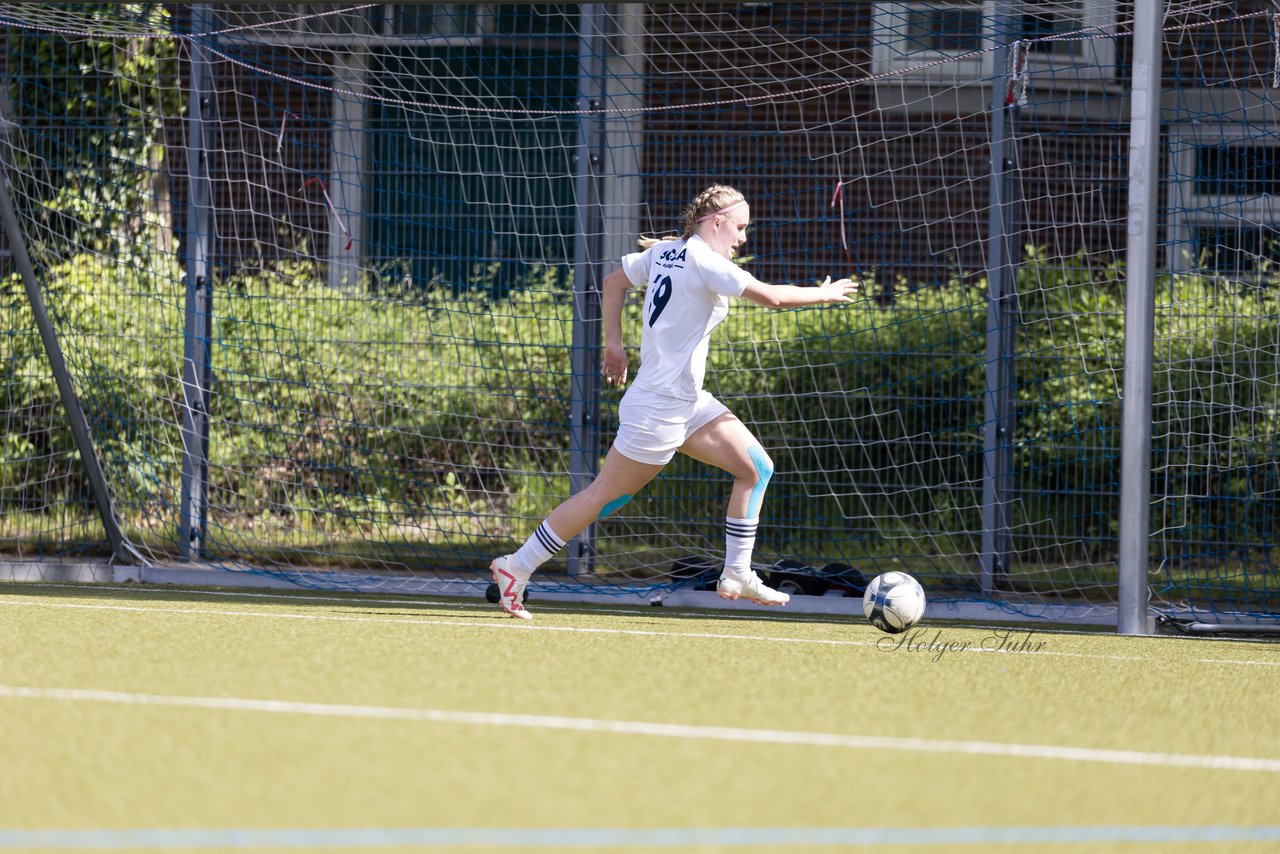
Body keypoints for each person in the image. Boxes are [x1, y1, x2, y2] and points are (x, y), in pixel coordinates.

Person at [491, 185, 858, 619]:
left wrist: (615, 346)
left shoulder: (669, 251)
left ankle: (736, 572)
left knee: (756, 468)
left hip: (684, 400)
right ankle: (516, 566)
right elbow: (772, 297)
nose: (742, 238)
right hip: (658, 408)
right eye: (739, 228)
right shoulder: (704, 260)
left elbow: (613, 282)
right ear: (716, 221)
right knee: (603, 497)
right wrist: (826, 293)